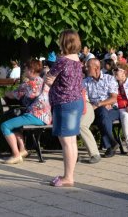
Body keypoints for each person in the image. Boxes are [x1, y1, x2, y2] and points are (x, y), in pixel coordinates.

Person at [46, 29, 83, 187]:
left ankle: (68, 177)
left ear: (64, 42)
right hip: (76, 101)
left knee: (66, 141)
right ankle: (69, 175)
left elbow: (49, 80)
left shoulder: (62, 60)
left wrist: (48, 76)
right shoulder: (78, 60)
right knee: (72, 141)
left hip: (64, 102)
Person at [0, 59, 51, 164]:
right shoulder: (42, 81)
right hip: (46, 117)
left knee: (5, 126)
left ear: (31, 70)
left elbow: (12, 94)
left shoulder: (29, 84)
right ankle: (22, 150)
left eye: (26, 69)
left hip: (35, 116)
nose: (24, 71)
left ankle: (16, 154)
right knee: (14, 124)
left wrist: (6, 93)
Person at [84, 58, 119, 158]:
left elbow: (113, 98)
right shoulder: (85, 82)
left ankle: (109, 145)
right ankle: (111, 144)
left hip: (112, 109)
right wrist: (98, 106)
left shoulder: (109, 79)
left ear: (97, 68)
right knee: (102, 114)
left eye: (88, 67)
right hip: (94, 110)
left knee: (103, 113)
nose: (86, 68)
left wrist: (100, 104)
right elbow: (85, 99)